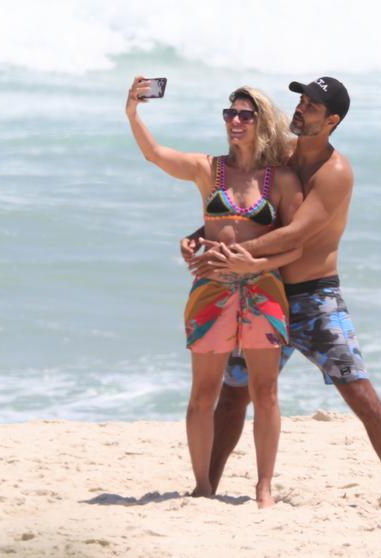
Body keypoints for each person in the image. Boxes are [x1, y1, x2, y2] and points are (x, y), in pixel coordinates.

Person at [184, 77, 381, 505]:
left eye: (312, 106)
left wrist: (232, 253)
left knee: (359, 391)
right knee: (235, 394)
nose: (300, 108)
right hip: (265, 292)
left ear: (331, 120)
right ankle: (208, 492)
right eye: (301, 100)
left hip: (314, 297)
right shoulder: (283, 156)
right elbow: (249, 210)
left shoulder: (336, 172)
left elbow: (297, 232)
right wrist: (202, 235)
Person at [126, 76, 303, 506]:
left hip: (262, 291)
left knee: (265, 393)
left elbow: (295, 242)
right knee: (203, 395)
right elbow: (155, 155)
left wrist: (256, 264)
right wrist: (132, 111)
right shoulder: (210, 169)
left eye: (245, 114)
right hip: (212, 290)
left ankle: (263, 487)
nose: (235, 121)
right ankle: (203, 486)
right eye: (230, 114)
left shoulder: (277, 178)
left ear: (260, 121)